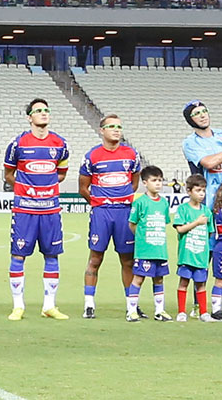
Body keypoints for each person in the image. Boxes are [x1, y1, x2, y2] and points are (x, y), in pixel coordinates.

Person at [4, 98, 70, 321]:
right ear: (29, 117)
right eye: (38, 111)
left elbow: (61, 173)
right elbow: (8, 174)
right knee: (18, 255)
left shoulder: (60, 144)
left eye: (46, 110)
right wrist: (27, 189)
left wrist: (44, 187)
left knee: (52, 255)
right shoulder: (18, 144)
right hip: (25, 209)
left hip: (50, 209)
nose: (43, 114)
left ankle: (49, 305)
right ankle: (18, 306)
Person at [78, 114, 141, 319]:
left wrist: (121, 200)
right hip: (102, 213)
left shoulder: (131, 154)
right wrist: (100, 203)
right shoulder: (92, 156)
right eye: (112, 126)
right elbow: (83, 187)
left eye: (119, 126)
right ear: (101, 130)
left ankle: (131, 304)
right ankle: (89, 304)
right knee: (95, 258)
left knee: (128, 260)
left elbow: (134, 182)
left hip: (124, 212)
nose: (116, 130)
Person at [181, 99, 222, 316]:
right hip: (207, 205)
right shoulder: (190, 143)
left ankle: (216, 300)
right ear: (191, 120)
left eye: (205, 111)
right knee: (202, 254)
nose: (203, 115)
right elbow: (208, 163)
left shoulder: (220, 135)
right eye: (197, 113)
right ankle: (200, 303)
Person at [126, 166, 172, 322]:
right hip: (144, 250)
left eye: (160, 180)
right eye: (154, 180)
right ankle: (131, 310)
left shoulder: (164, 203)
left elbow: (164, 223)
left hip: (160, 250)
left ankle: (159, 311)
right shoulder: (140, 203)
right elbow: (132, 224)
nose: (158, 184)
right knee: (138, 278)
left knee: (159, 279)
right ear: (145, 183)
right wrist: (141, 238)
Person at [173, 174, 214, 322]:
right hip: (187, 254)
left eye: (203, 190)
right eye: (198, 190)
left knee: (201, 284)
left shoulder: (207, 212)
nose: (202, 194)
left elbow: (210, 232)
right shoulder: (183, 209)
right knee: (184, 282)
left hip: (201, 255)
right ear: (189, 191)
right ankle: (181, 312)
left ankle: (203, 312)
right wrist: (196, 222)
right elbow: (180, 229)